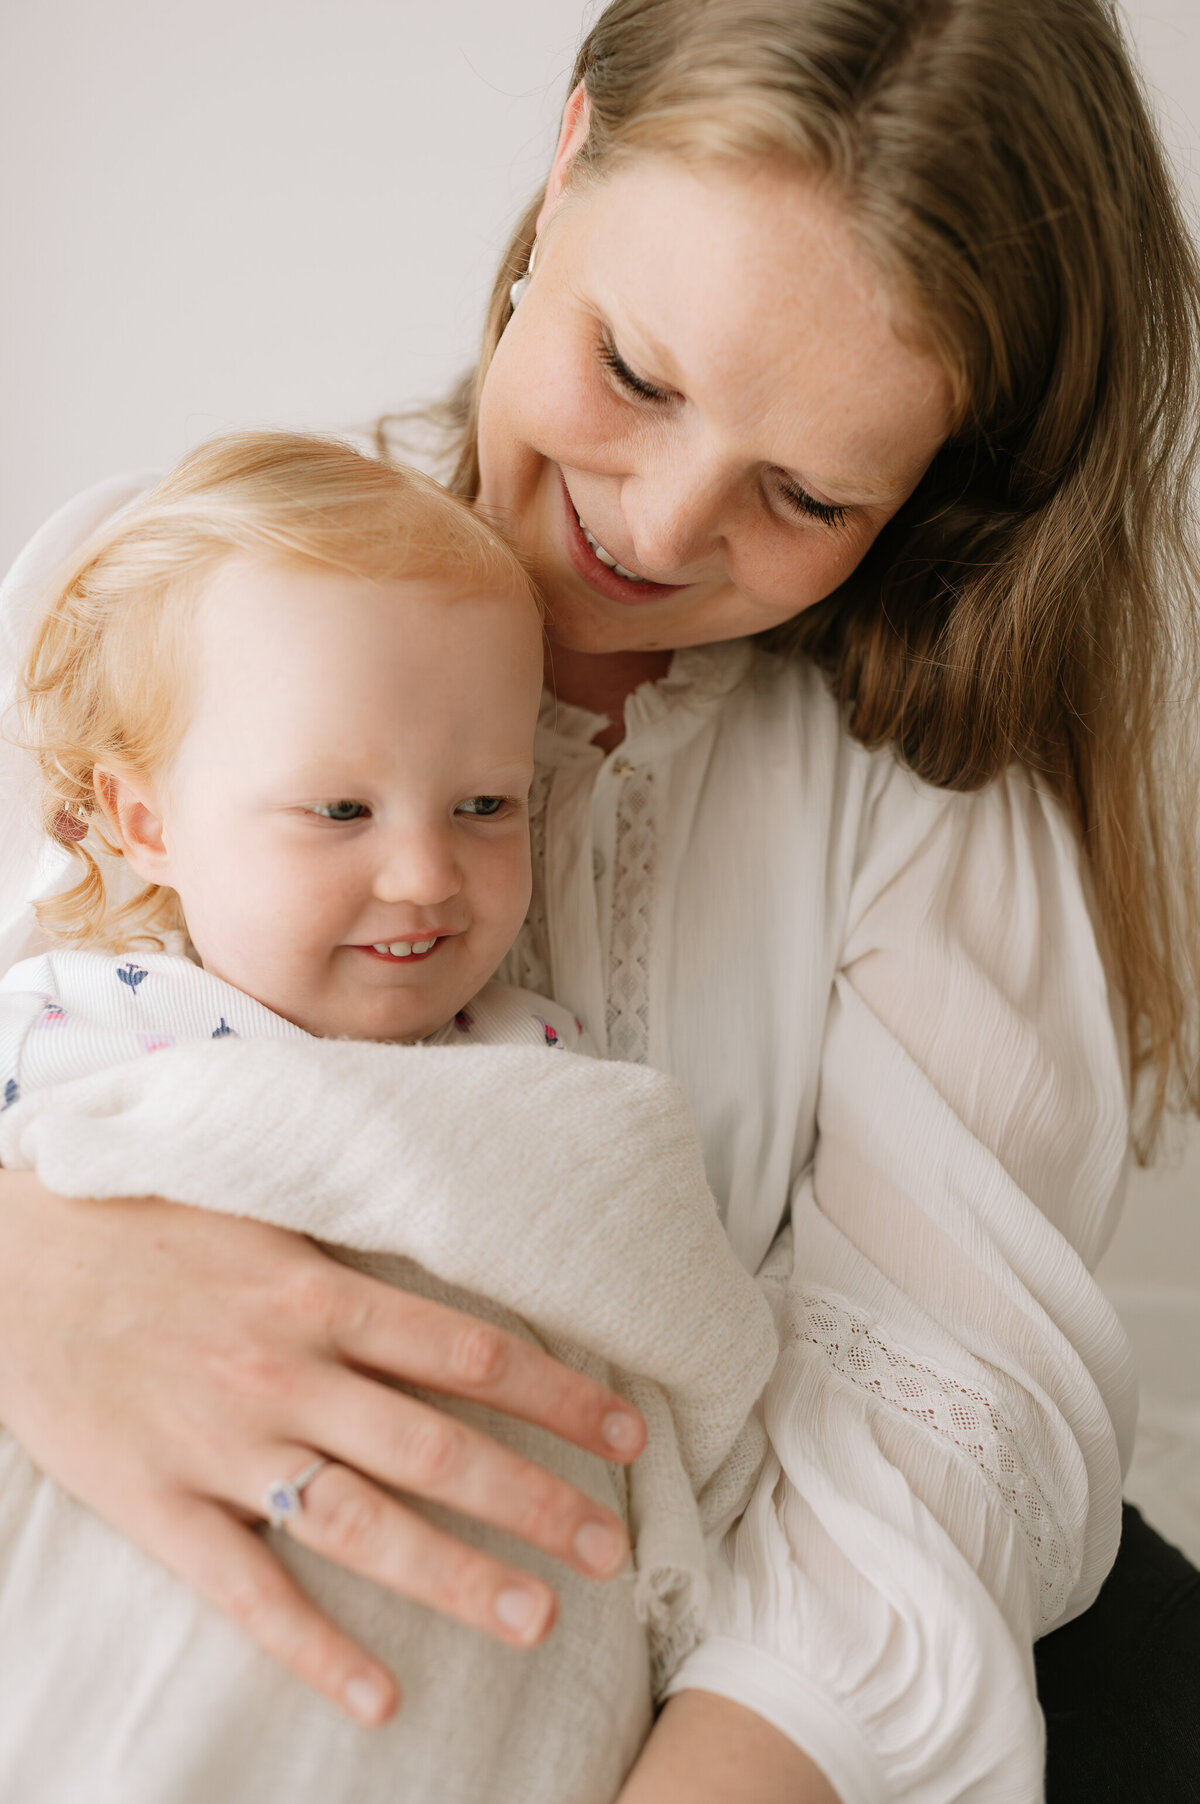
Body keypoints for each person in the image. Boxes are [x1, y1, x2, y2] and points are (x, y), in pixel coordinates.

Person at [1, 1, 1197, 1800]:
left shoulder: (925, 813)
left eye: (805, 492)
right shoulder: (170, 594)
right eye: (636, 374)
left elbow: (919, 1475)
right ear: (565, 165)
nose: (654, 521)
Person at [0, 429, 776, 1803]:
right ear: (146, 821)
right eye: (339, 808)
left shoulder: (535, 1070)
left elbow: (659, 1295)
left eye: (485, 804)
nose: (425, 873)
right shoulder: (73, 1022)